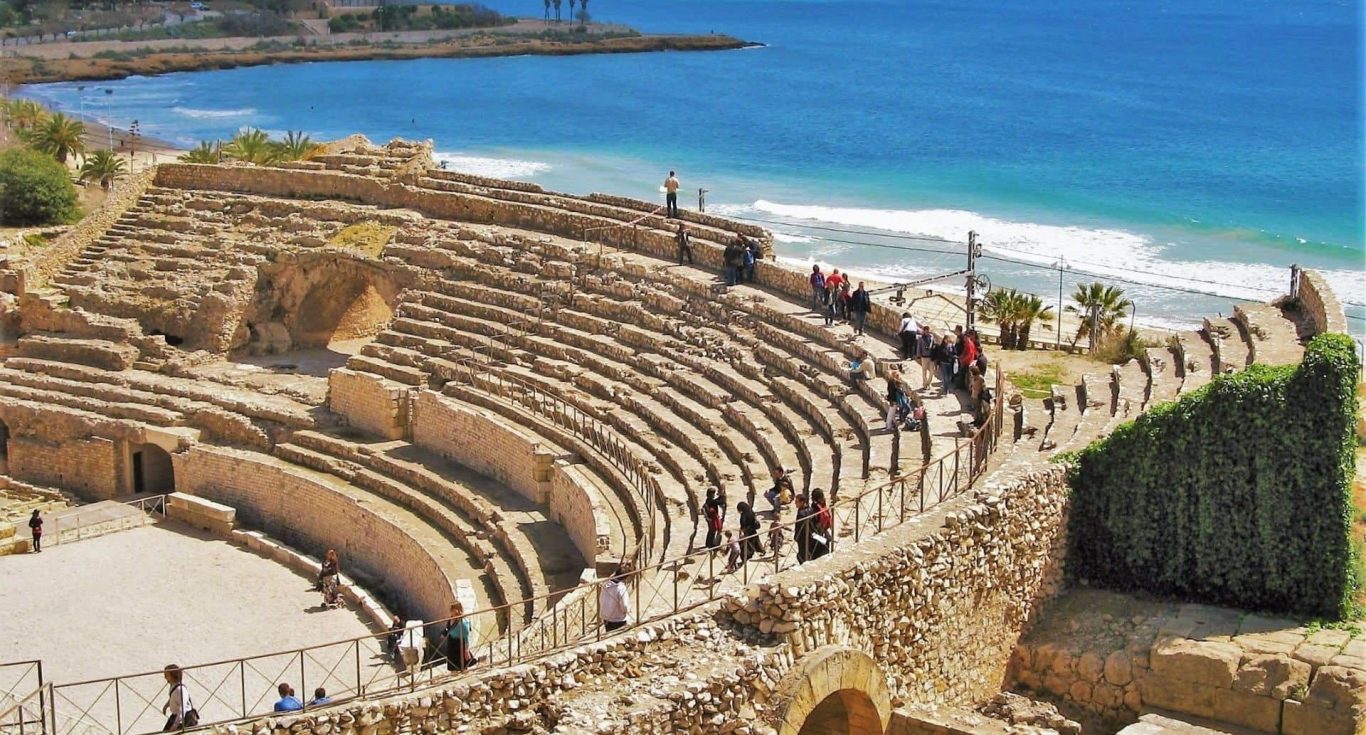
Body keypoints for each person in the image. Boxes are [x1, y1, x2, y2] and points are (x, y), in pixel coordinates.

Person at [162, 665, 198, 731]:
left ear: (173, 676)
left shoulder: (180, 690)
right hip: (175, 715)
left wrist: (174, 727)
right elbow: (173, 698)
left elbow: (182, 710)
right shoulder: (173, 685)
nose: (165, 677)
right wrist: (166, 706)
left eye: (166, 675)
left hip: (185, 718)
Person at [443, 602, 473, 671]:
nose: (450, 612)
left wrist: (466, 650)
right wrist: (444, 633)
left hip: (459, 645)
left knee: (462, 665)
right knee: (452, 666)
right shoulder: (451, 619)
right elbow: (448, 629)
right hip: (452, 644)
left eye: (452, 610)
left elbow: (466, 636)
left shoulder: (464, 622)